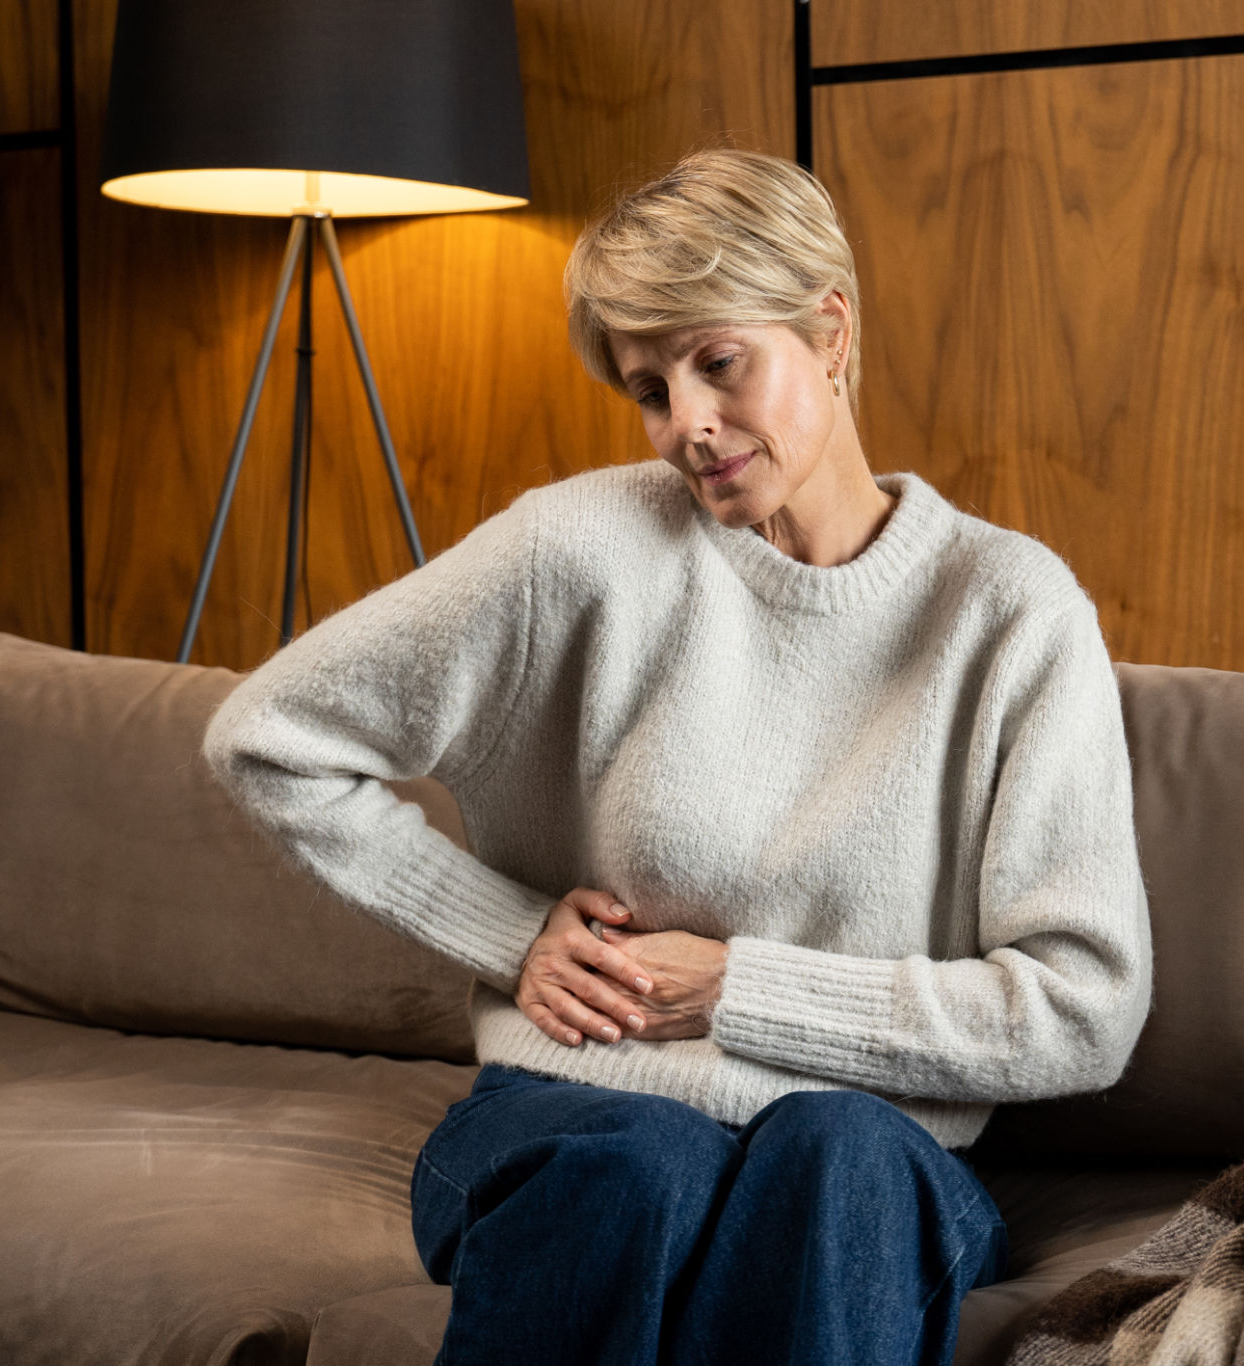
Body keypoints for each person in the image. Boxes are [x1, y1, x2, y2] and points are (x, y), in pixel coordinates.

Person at [201, 147, 1153, 1366]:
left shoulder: (1009, 613)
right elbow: (268, 735)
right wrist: (511, 929)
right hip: (573, 1112)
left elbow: (1083, 1010)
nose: (687, 427)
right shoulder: (578, 550)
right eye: (650, 388)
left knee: (833, 1151)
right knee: (636, 1165)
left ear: (829, 330)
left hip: (871, 1150)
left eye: (718, 363)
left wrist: (732, 987)